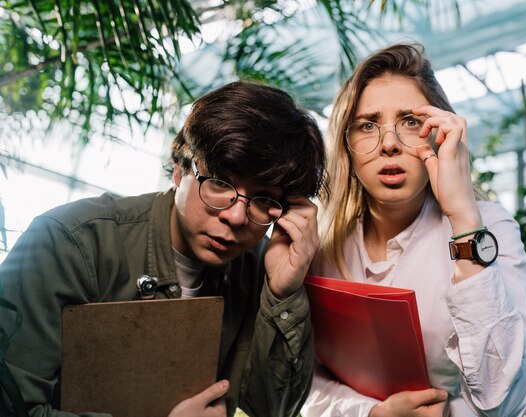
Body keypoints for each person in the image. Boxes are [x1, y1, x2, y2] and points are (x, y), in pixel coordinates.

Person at [0, 81, 326, 417]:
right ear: (180, 168)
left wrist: (283, 293)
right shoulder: (70, 241)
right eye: (219, 182)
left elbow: (271, 409)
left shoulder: (261, 270)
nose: (236, 215)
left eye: (264, 199)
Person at [301, 43, 526, 416]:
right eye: (367, 125)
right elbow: (304, 383)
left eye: (411, 121)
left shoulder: (488, 226)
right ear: (346, 145)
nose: (389, 144)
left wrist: (463, 218)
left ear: (439, 132)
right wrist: (369, 413)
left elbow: (508, 400)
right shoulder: (323, 243)